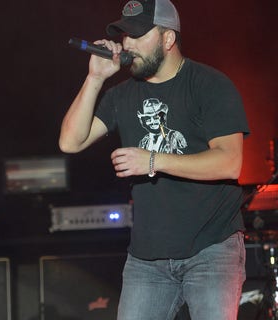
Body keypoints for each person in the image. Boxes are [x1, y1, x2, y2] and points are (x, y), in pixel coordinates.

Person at [58, 0, 249, 319]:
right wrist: (95, 78)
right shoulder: (121, 95)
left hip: (212, 249)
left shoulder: (209, 85)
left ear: (168, 39)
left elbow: (229, 162)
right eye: (124, 35)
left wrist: (152, 160)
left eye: (137, 35)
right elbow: (70, 142)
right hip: (147, 259)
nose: (127, 44)